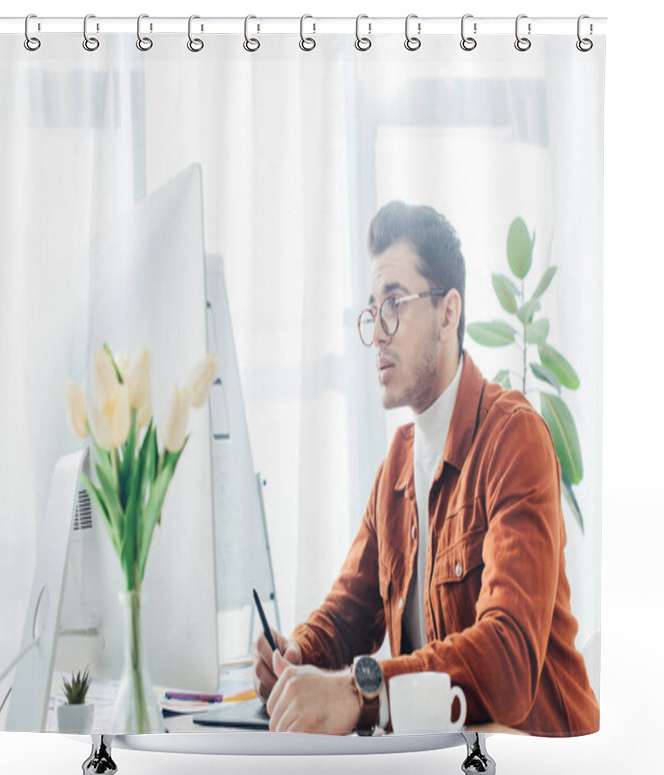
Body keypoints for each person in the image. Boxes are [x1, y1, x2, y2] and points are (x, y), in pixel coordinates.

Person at [253, 200, 599, 736]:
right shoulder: (396, 465)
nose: (378, 333)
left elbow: (506, 659)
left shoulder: (514, 438)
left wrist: (358, 692)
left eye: (394, 303)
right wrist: (294, 655)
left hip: (541, 767)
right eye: (372, 311)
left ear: (448, 314)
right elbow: (349, 612)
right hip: (449, 770)